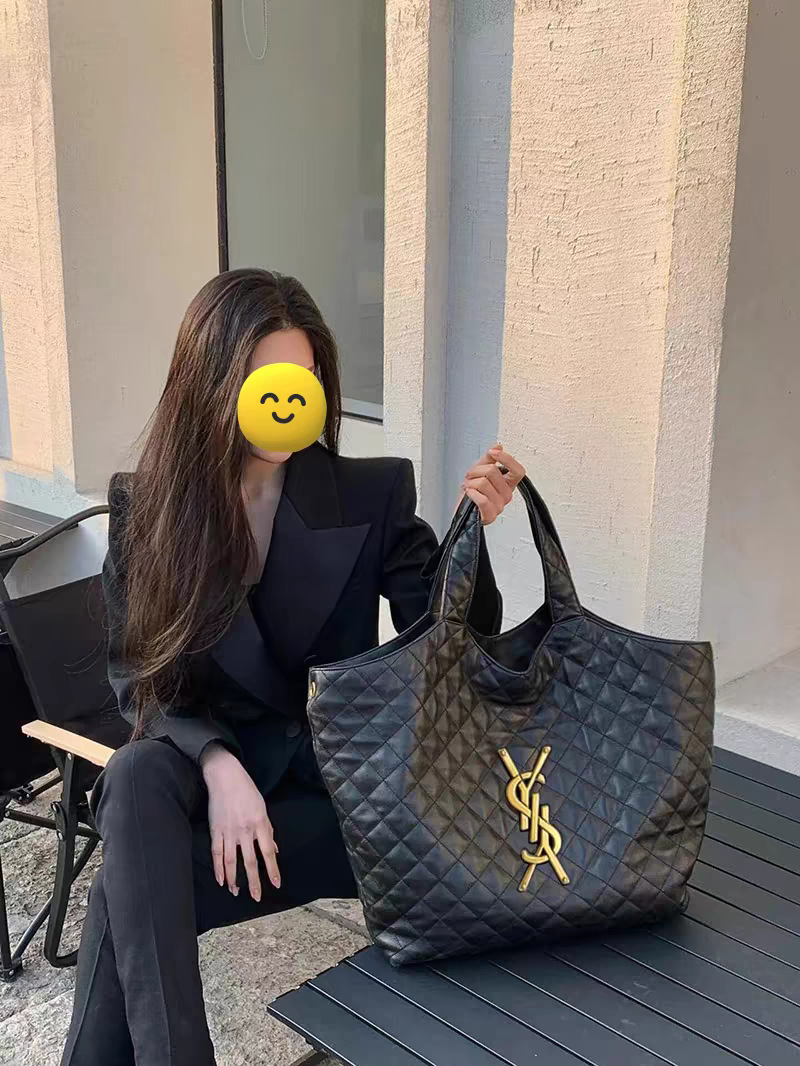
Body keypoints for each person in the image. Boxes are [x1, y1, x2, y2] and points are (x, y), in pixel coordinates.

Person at [61, 268, 525, 1065]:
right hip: (210, 796)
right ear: (214, 381)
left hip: (334, 800)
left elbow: (447, 641)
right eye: (266, 377)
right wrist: (218, 766)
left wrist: (469, 539)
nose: (289, 396)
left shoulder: (371, 492)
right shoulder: (150, 507)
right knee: (137, 775)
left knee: (126, 886)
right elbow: (137, 675)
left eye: (304, 376)